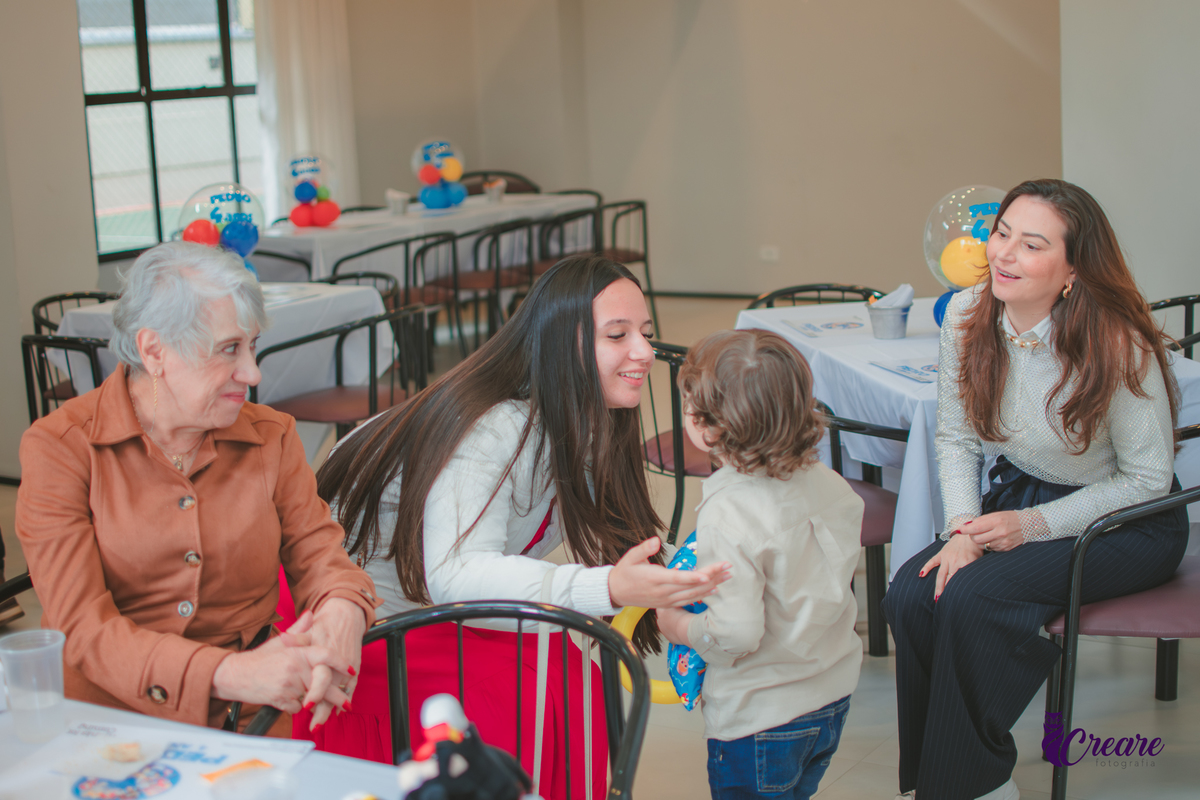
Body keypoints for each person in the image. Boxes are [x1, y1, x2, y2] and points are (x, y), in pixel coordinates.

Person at [314, 255, 730, 796]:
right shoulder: (494, 428)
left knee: (569, 665)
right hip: (348, 613)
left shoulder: (587, 414)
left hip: (419, 602)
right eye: (618, 335)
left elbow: (616, 530)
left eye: (646, 333)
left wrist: (691, 568)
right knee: (541, 675)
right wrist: (607, 587)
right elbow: (454, 575)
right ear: (563, 344)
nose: (645, 353)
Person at [882, 178, 1187, 800]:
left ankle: (969, 784)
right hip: (1025, 496)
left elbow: (1148, 480)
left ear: (1073, 267)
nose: (1003, 254)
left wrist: (1029, 528)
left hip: (1128, 519)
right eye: (1001, 234)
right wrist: (963, 530)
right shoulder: (968, 316)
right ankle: (938, 779)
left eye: (1032, 244)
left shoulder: (1118, 342)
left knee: (972, 598)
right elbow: (958, 440)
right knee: (913, 594)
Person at [15, 241, 380, 733]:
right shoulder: (60, 447)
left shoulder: (271, 434)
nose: (252, 373)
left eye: (252, 346)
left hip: (252, 714)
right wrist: (228, 673)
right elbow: (81, 627)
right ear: (154, 350)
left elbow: (320, 554)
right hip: (110, 717)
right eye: (230, 348)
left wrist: (343, 608)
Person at [656, 329, 865, 800]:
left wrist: (677, 626)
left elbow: (737, 634)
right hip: (830, 695)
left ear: (707, 427)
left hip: (760, 717)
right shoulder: (829, 482)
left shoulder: (728, 513)